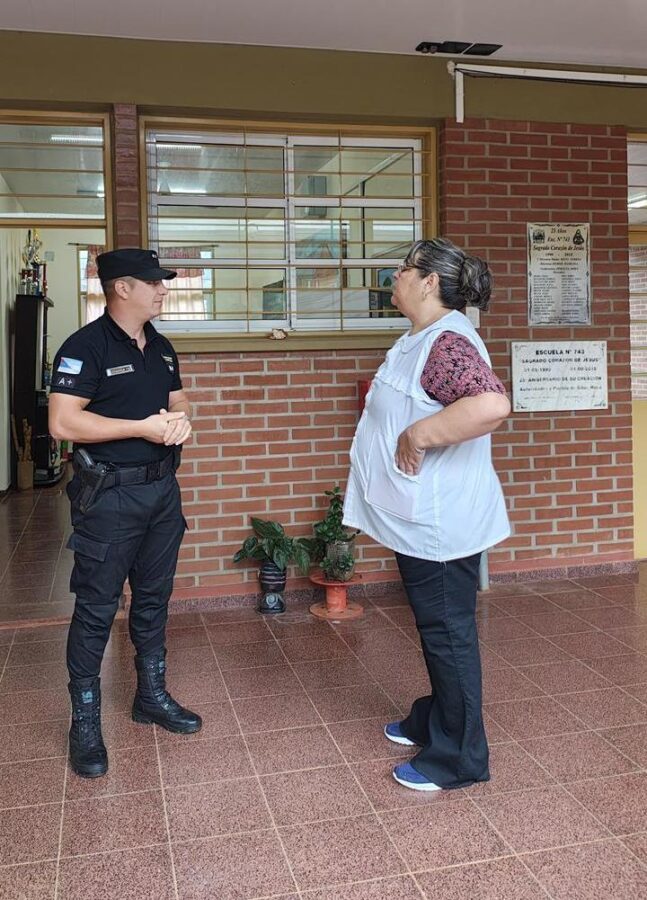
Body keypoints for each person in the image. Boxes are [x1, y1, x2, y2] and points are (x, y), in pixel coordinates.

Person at [343, 238, 510, 792]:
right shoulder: (420, 337)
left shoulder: (447, 342)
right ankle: (432, 718)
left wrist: (419, 434)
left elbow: (489, 405)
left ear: (430, 281)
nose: (395, 275)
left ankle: (460, 759)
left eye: (404, 269)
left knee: (448, 634)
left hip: (442, 524)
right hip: (417, 517)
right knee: (437, 629)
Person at [49, 248, 202, 779]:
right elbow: (63, 423)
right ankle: (85, 722)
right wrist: (140, 427)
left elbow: (180, 399)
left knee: (155, 599)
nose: (163, 291)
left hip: (162, 493)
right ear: (121, 288)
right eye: (154, 283)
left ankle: (151, 697)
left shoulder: (158, 345)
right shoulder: (84, 346)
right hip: (109, 499)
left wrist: (180, 420)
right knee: (96, 607)